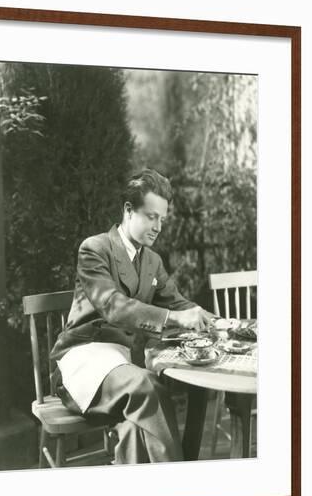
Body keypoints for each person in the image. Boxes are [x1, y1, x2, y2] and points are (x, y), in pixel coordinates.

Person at [50, 168, 214, 464]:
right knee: (148, 386)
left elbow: (177, 303)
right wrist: (175, 318)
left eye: (162, 219)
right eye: (152, 216)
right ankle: (183, 484)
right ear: (128, 210)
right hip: (83, 359)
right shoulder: (95, 249)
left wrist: (207, 318)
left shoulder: (152, 260)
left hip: (122, 362)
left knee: (133, 428)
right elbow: (113, 305)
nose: (158, 227)